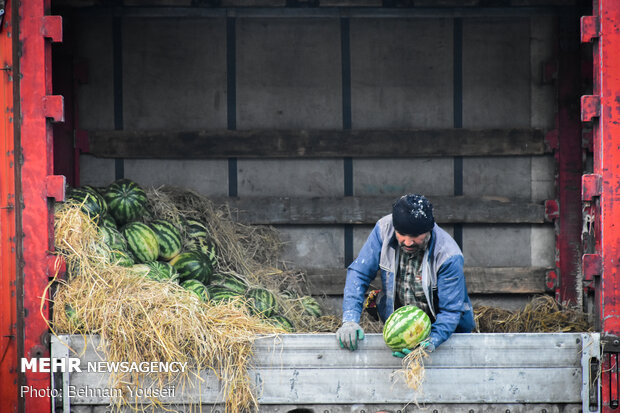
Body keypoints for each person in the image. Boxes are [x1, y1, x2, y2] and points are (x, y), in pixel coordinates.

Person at [336, 194, 475, 356]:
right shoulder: (383, 230)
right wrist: (350, 320)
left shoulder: (448, 255)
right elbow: (359, 273)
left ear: (429, 230)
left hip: (446, 333)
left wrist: (429, 343)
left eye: (415, 236)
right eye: (402, 234)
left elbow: (451, 311)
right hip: (402, 331)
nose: (408, 242)